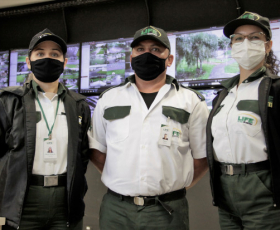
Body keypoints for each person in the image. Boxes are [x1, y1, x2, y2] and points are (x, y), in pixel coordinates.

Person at [89, 25, 209, 230]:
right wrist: (120, 178)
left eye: (155, 50)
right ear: (131, 56)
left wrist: (173, 187)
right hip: (117, 210)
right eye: (140, 49)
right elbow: (97, 150)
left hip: (168, 210)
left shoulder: (191, 102)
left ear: (169, 59)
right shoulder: (109, 99)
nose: (147, 54)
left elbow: (203, 157)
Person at [0, 28, 91, 230]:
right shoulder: (9, 101)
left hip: (65, 202)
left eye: (55, 54)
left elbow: (82, 156)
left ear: (64, 62)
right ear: (28, 61)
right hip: (23, 201)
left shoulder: (79, 105)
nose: (47, 58)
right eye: (40, 53)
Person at [206, 11, 280, 229]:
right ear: (232, 47)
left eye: (254, 37)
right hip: (225, 190)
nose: (245, 43)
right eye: (239, 38)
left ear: (267, 45)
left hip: (262, 187)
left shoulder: (274, 88)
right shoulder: (223, 94)